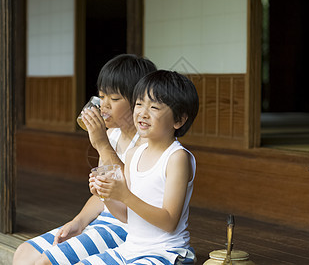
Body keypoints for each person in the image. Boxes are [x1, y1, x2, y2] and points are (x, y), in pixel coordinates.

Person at [12, 54, 157, 265]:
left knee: (46, 261)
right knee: (24, 252)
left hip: (127, 228)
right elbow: (101, 194)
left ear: (138, 102)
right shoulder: (112, 135)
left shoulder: (146, 143)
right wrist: (78, 223)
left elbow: (128, 194)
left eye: (114, 99)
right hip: (101, 221)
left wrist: (101, 144)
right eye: (101, 96)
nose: (103, 106)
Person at [86, 70, 199, 264]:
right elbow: (127, 216)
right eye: (139, 104)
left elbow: (169, 222)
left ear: (178, 120)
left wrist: (124, 195)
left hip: (166, 252)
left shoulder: (176, 158)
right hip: (130, 249)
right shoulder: (133, 154)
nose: (142, 113)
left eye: (154, 107)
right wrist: (107, 195)